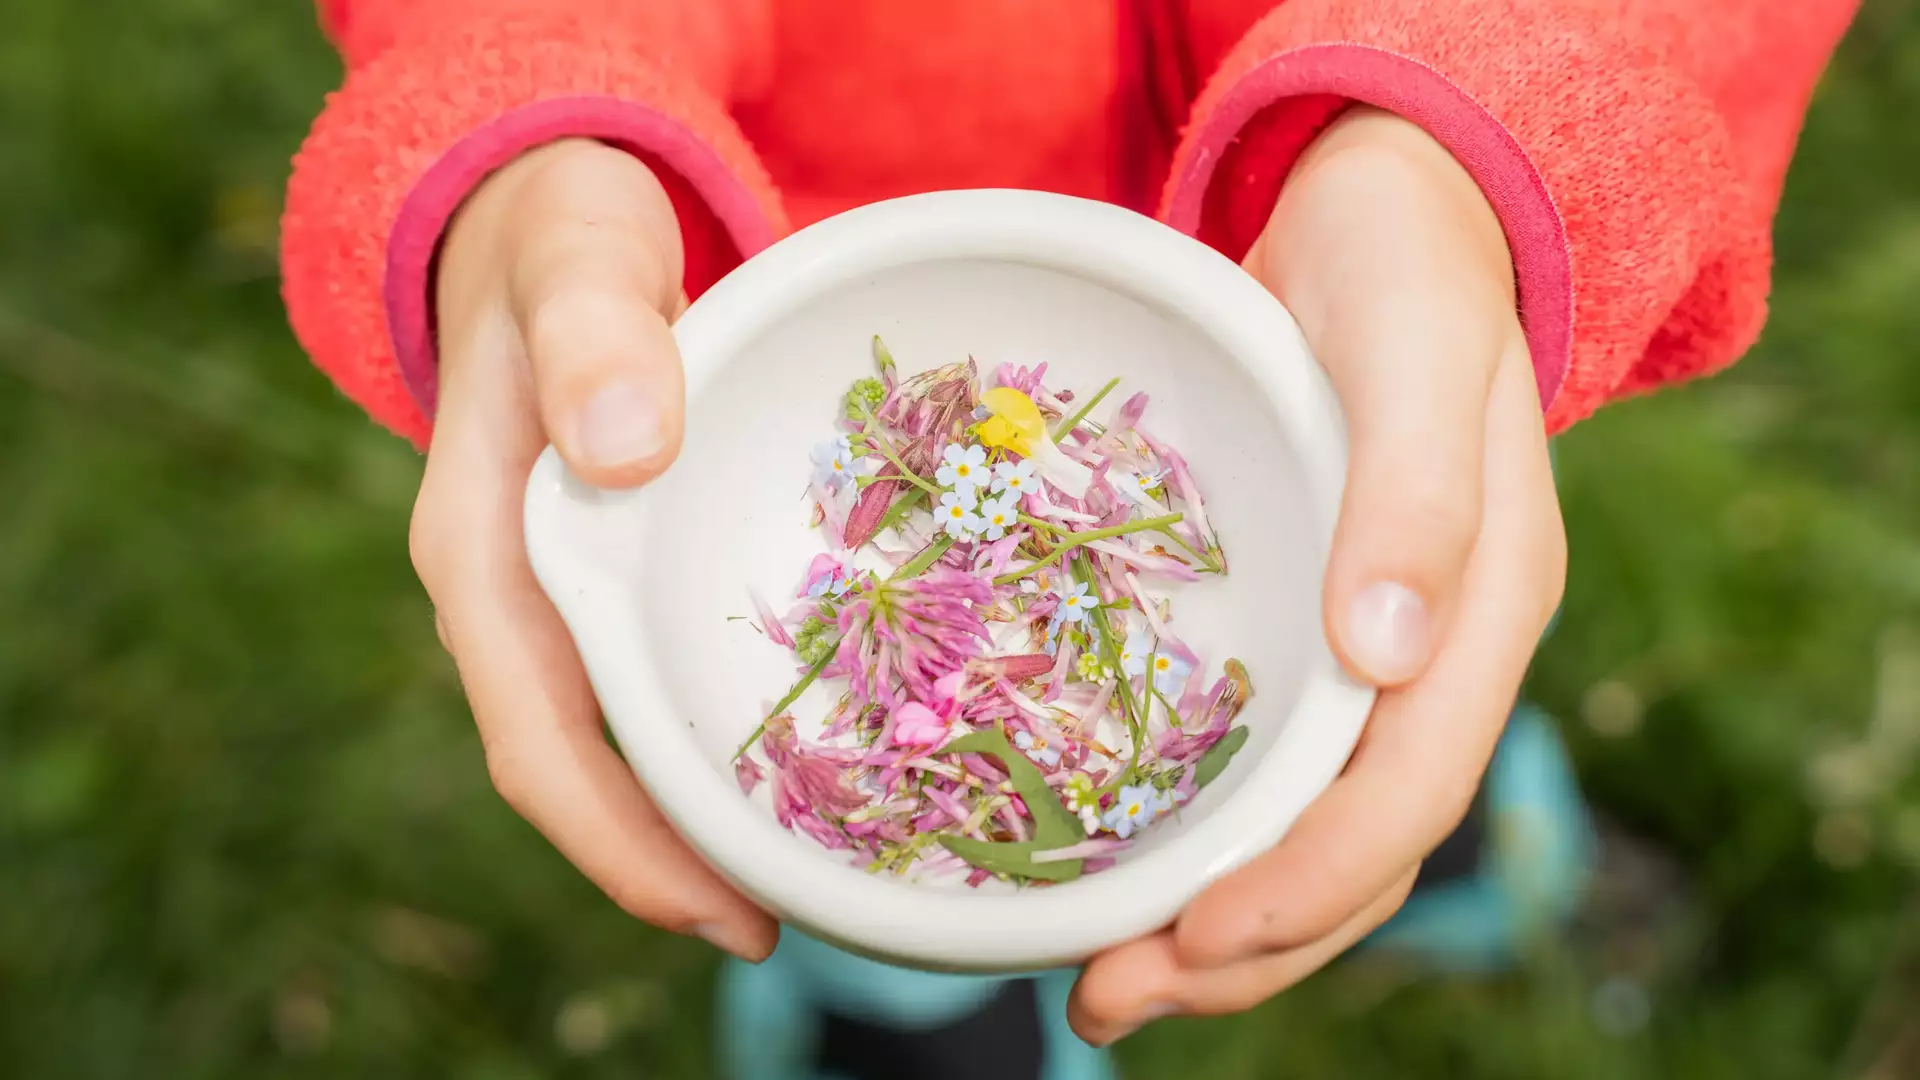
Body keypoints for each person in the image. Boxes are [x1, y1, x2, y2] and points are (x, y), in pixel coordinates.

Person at [279, 2, 1859, 1076]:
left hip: (1354, 294)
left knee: (1389, 661)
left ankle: (1470, 868)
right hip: (746, 261)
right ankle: (903, 1024)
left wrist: (1474, 105)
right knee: (893, 915)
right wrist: (533, 86)